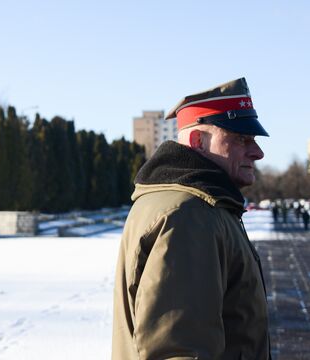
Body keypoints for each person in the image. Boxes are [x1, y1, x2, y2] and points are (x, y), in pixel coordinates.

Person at [112, 78, 270, 359]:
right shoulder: (189, 215)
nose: (257, 152)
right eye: (241, 139)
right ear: (198, 141)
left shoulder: (197, 206)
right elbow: (179, 349)